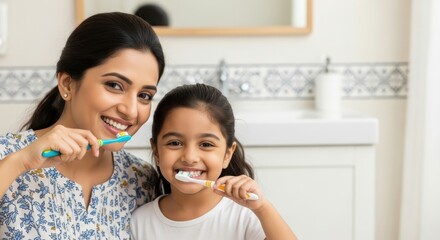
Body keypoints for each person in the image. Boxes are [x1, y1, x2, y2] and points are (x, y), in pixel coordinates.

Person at [0, 12, 165, 239]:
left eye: (145, 95)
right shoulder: (7, 155)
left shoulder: (142, 179)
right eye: (115, 85)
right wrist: (20, 162)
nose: (131, 110)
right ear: (67, 83)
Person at [130, 83, 297, 240]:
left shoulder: (245, 216)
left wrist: (262, 208)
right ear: (156, 152)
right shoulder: (140, 222)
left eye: (206, 144)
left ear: (227, 155)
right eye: (175, 143)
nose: (189, 157)